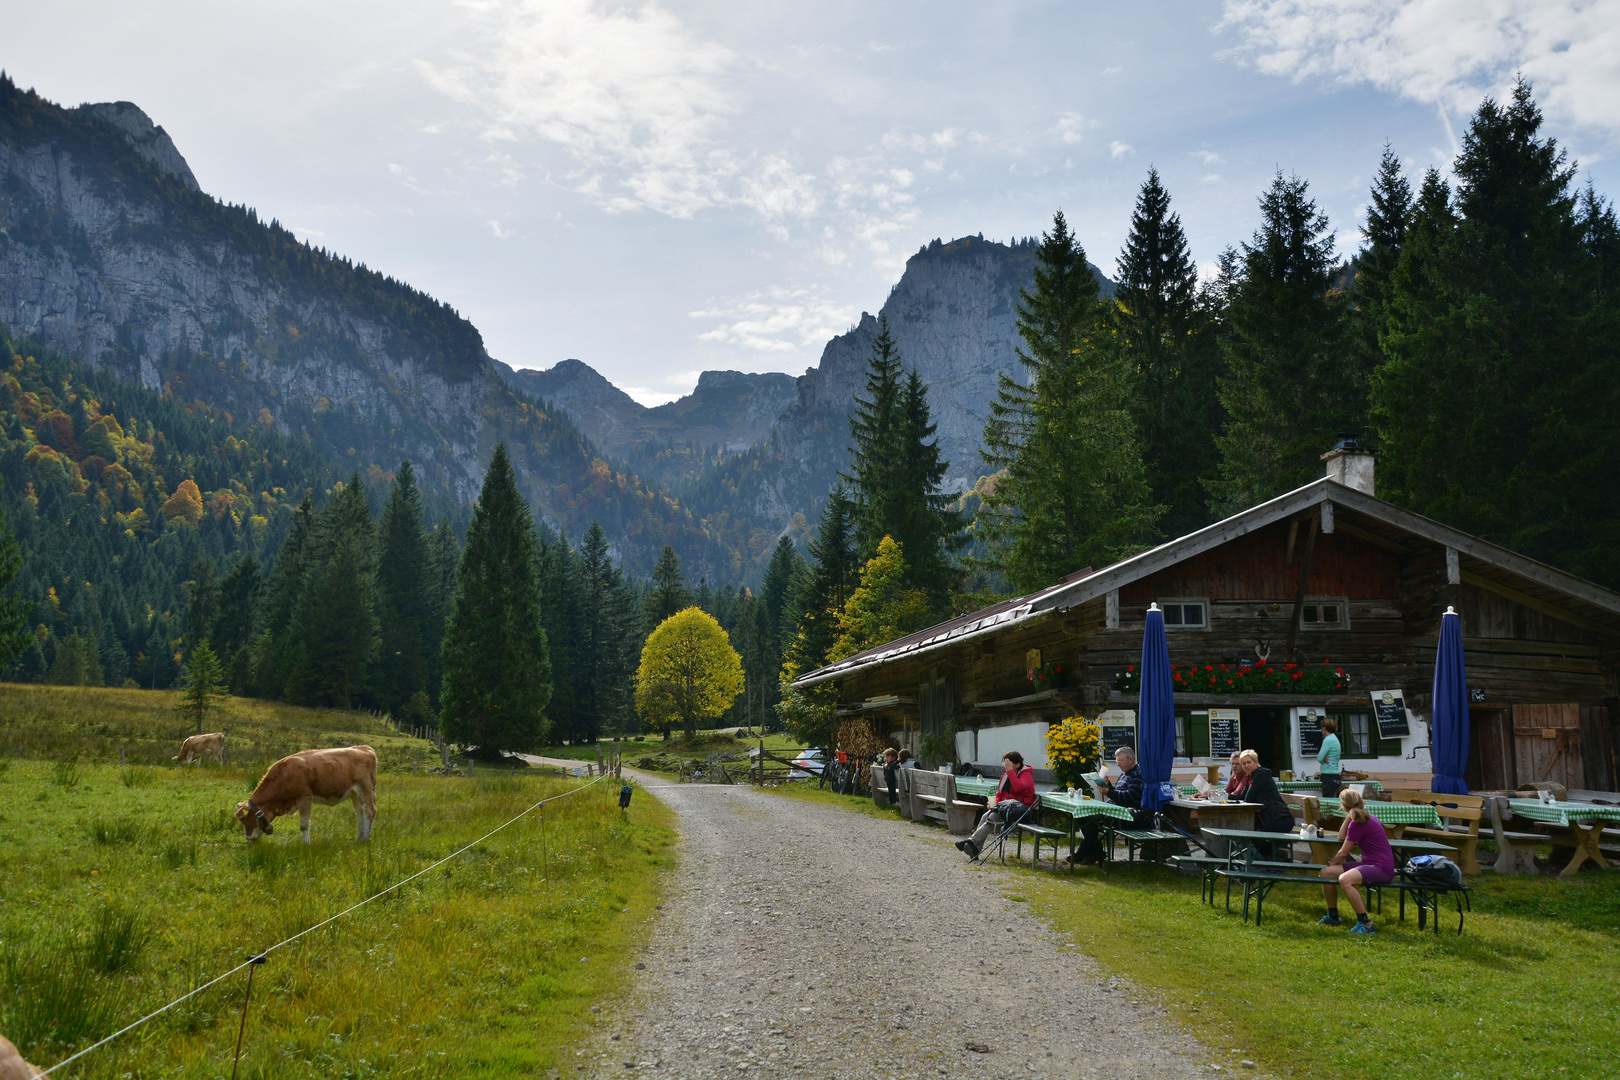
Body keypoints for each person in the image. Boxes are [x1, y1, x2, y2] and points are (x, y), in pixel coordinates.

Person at [1317, 788, 1393, 934]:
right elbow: (1341, 836)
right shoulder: (1364, 818)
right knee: (1326, 873)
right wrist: (1349, 816)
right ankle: (1333, 916)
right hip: (1371, 865)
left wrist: (1333, 862)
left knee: (1345, 880)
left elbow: (1344, 851)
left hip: (1381, 868)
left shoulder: (1359, 822)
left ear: (1343, 806)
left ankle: (1365, 923)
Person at [1071, 747, 1154, 865]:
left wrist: (1108, 792)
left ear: (1130, 759)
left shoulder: (1138, 775)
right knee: (1080, 814)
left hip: (1127, 813)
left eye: (1120, 761)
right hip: (1113, 808)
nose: (1118, 764)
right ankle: (1094, 850)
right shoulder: (1124, 774)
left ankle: (1087, 851)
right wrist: (1108, 785)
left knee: (1090, 818)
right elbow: (1117, 792)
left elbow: (1129, 796)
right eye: (1117, 762)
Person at [956, 751, 1035, 860]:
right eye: (1005, 763)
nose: (1006, 766)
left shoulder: (1026, 775)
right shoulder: (1007, 774)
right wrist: (995, 804)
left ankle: (971, 842)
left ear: (1017, 764)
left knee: (992, 818)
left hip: (1020, 811)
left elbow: (1018, 788)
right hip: (1006, 808)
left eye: (1009, 764)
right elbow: (1000, 793)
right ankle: (974, 850)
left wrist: (1010, 771)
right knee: (985, 816)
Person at [1236, 749, 1296, 859]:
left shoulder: (1260, 774)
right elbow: (1241, 797)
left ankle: (1274, 857)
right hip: (1269, 819)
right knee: (1245, 833)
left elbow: (1248, 798)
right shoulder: (1252, 776)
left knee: (1249, 835)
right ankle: (1273, 857)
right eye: (1244, 763)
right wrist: (1216, 795)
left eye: (1249, 762)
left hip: (1279, 819)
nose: (1246, 766)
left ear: (1256, 762)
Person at [1316, 717, 1342, 798]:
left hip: (1328, 775)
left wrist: (1323, 758)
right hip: (1335, 774)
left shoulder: (1328, 740)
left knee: (1328, 801)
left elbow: (1319, 758)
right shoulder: (1335, 739)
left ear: (1324, 728)